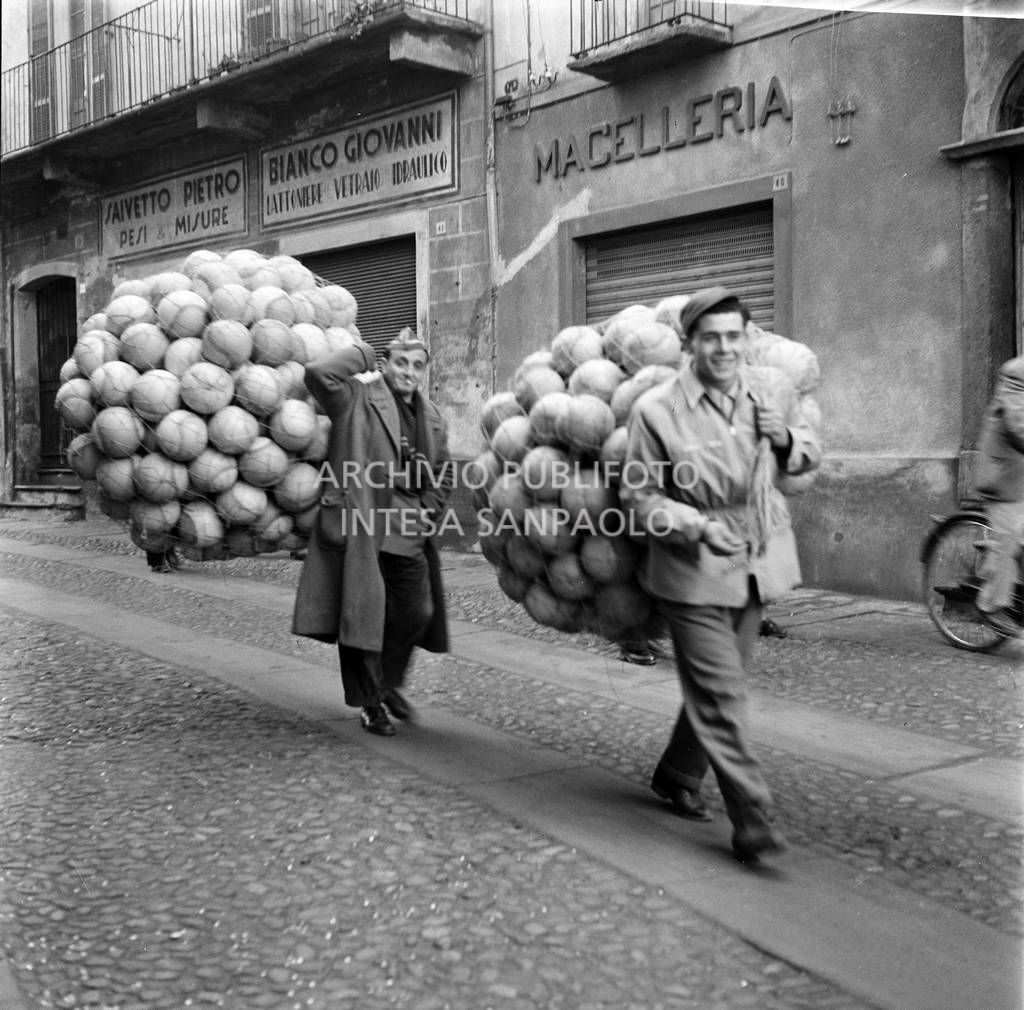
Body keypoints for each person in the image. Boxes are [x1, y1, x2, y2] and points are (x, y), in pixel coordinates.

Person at [621, 286, 821, 861]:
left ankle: (678, 774)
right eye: (711, 337)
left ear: (747, 338)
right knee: (723, 692)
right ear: (689, 344)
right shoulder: (657, 410)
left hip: (756, 561)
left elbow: (806, 454)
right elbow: (638, 497)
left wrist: (784, 438)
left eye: (734, 336)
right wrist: (694, 526)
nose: (724, 348)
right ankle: (753, 818)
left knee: (717, 686)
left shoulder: (768, 392)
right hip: (693, 566)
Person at [291, 328, 452, 736]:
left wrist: (428, 509)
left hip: (408, 531)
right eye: (401, 362)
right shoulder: (355, 399)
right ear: (388, 363)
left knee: (418, 611)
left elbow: (443, 473)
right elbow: (318, 374)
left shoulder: (431, 417)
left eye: (417, 365)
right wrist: (364, 353)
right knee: (362, 615)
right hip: (360, 527)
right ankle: (370, 702)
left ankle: (387, 682)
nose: (409, 372)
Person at [973, 354, 1024, 636]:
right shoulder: (1017, 374)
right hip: (1004, 477)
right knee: (1009, 537)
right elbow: (1018, 425)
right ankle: (991, 605)